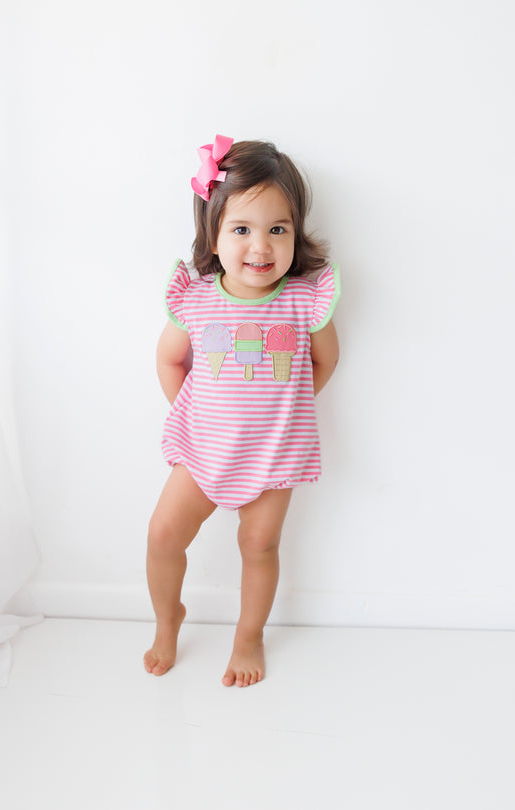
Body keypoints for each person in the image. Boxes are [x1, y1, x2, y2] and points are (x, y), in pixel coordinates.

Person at [144, 135, 340, 687]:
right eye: (241, 230)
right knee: (163, 536)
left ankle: (249, 635)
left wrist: (284, 411)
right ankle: (167, 620)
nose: (261, 246)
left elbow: (324, 361)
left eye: (278, 229)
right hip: (202, 449)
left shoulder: (304, 302)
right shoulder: (197, 299)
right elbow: (169, 359)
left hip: (273, 455)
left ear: (296, 233)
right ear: (213, 234)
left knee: (259, 545)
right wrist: (195, 413)